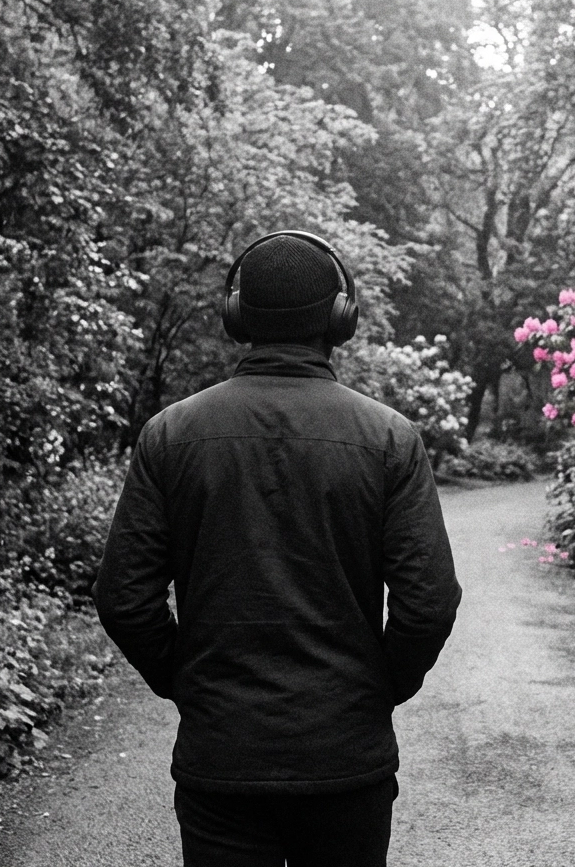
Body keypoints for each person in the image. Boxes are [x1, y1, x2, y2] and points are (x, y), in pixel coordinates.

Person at [93, 231, 462, 867]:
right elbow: (427, 603)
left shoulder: (169, 435)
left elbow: (125, 600)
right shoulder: (390, 439)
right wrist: (375, 690)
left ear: (237, 316)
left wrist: (189, 684)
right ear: (340, 318)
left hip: (221, 759)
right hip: (347, 759)